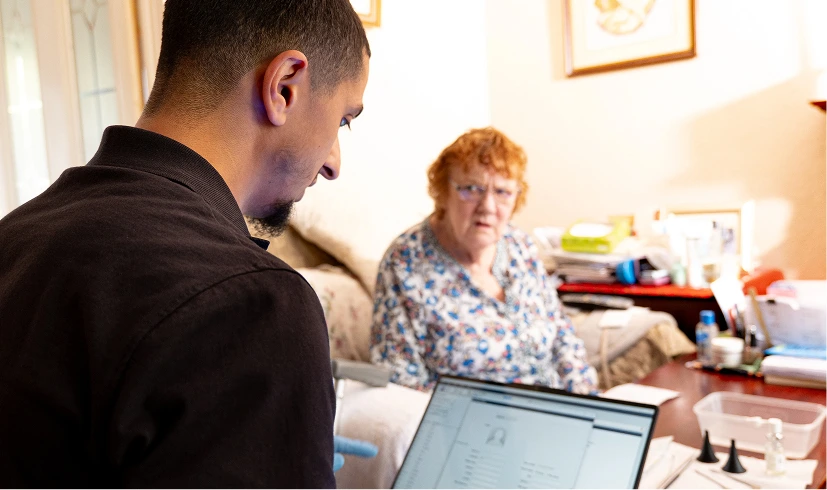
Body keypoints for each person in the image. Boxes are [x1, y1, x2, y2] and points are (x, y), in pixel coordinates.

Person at [0, 0, 374, 487]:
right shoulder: (253, 302)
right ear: (285, 86)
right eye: (343, 120)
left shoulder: (17, 235)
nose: (333, 163)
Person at [370, 127, 598, 395]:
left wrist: (589, 404)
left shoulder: (520, 246)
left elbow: (562, 336)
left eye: (502, 192)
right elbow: (401, 379)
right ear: (443, 191)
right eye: (471, 189)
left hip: (555, 411)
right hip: (471, 422)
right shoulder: (405, 262)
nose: (488, 206)